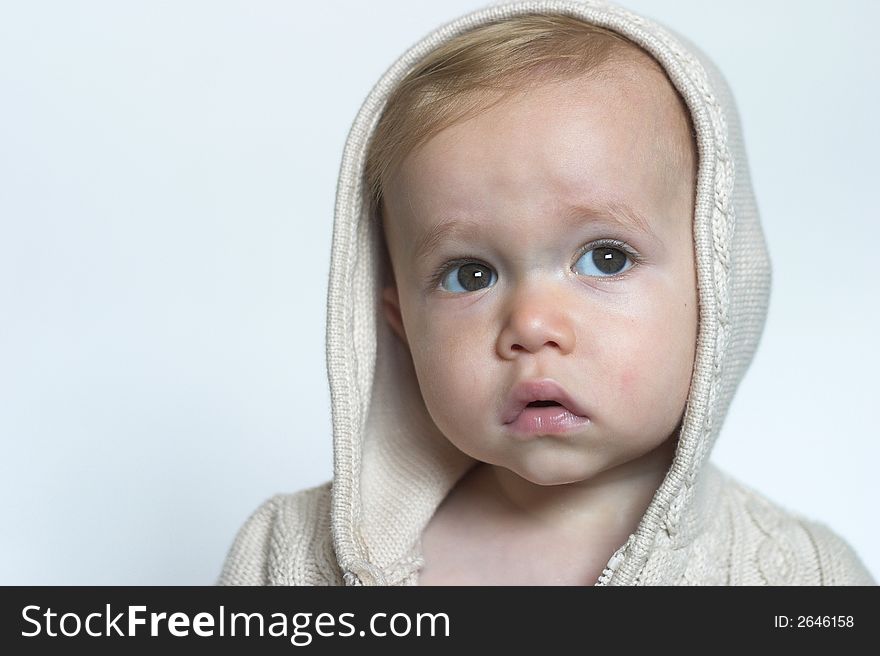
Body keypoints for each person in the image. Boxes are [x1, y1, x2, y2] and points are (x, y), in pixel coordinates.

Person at [218, 1, 875, 585]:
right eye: (469, 274)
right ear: (399, 324)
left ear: (716, 285)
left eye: (606, 258)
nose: (531, 324)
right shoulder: (288, 557)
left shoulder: (802, 578)